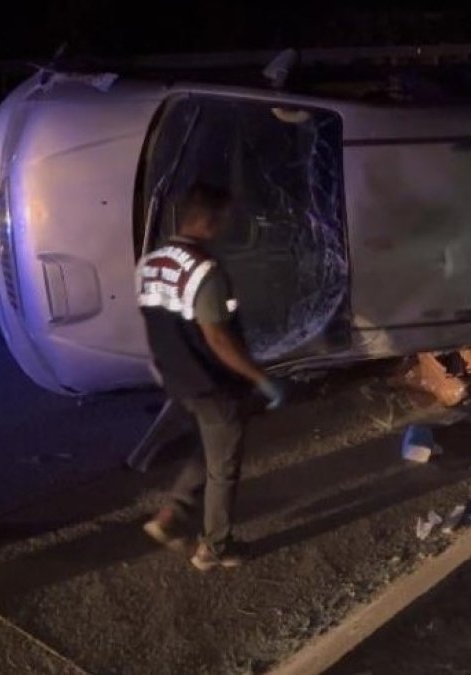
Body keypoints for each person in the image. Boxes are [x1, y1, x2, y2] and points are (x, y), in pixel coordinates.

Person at [137, 182, 286, 570]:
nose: (226, 227)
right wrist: (260, 379)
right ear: (209, 219)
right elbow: (218, 339)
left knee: (208, 449)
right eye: (224, 219)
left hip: (177, 380)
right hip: (212, 383)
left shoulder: (152, 262)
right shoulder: (206, 271)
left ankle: (168, 519)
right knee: (224, 468)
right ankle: (215, 549)